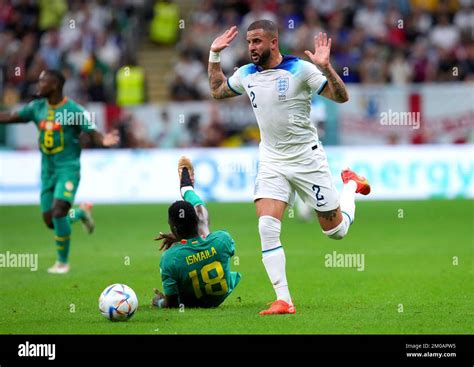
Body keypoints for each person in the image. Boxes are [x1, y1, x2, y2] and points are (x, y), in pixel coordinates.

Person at [208, 20, 371, 315]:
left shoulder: (301, 69)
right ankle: (284, 299)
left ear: (273, 42)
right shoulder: (246, 74)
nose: (252, 48)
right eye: (248, 42)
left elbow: (341, 97)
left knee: (335, 232)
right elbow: (218, 90)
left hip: (307, 160)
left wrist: (326, 67)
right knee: (266, 226)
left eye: (257, 41)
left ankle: (350, 184)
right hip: (271, 160)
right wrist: (214, 54)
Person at [0, 69, 119, 274]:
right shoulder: (37, 107)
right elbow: (11, 116)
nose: (38, 85)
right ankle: (81, 212)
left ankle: (62, 263)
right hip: (47, 171)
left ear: (54, 85)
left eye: (42, 81)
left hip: (68, 169)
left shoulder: (73, 110)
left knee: (58, 211)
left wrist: (103, 139)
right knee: (51, 220)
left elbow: (92, 131)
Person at [152, 156, 241, 308]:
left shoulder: (169, 258)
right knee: (205, 228)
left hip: (191, 302)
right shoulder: (223, 239)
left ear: (173, 229)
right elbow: (200, 215)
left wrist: (159, 301)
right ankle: (187, 188)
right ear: (196, 222)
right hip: (219, 296)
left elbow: (171, 304)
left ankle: (186, 192)